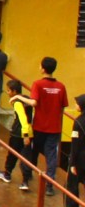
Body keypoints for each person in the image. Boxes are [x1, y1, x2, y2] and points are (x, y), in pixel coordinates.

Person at [32, 57, 70, 198]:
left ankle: (28, 176)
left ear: (42, 68)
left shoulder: (37, 84)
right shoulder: (61, 86)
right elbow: (63, 108)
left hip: (39, 126)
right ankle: (49, 185)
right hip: (55, 127)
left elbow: (34, 102)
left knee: (34, 151)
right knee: (51, 156)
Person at [0, 78, 35, 188]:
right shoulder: (27, 99)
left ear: (14, 91)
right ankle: (25, 181)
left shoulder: (17, 102)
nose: (7, 93)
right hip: (29, 132)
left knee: (12, 154)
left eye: (8, 91)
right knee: (26, 156)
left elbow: (23, 118)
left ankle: (7, 174)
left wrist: (25, 135)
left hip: (19, 133)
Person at [64, 96, 85, 207]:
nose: (75, 105)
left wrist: (72, 164)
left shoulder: (78, 122)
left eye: (77, 103)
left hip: (79, 161)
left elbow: (75, 145)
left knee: (72, 184)